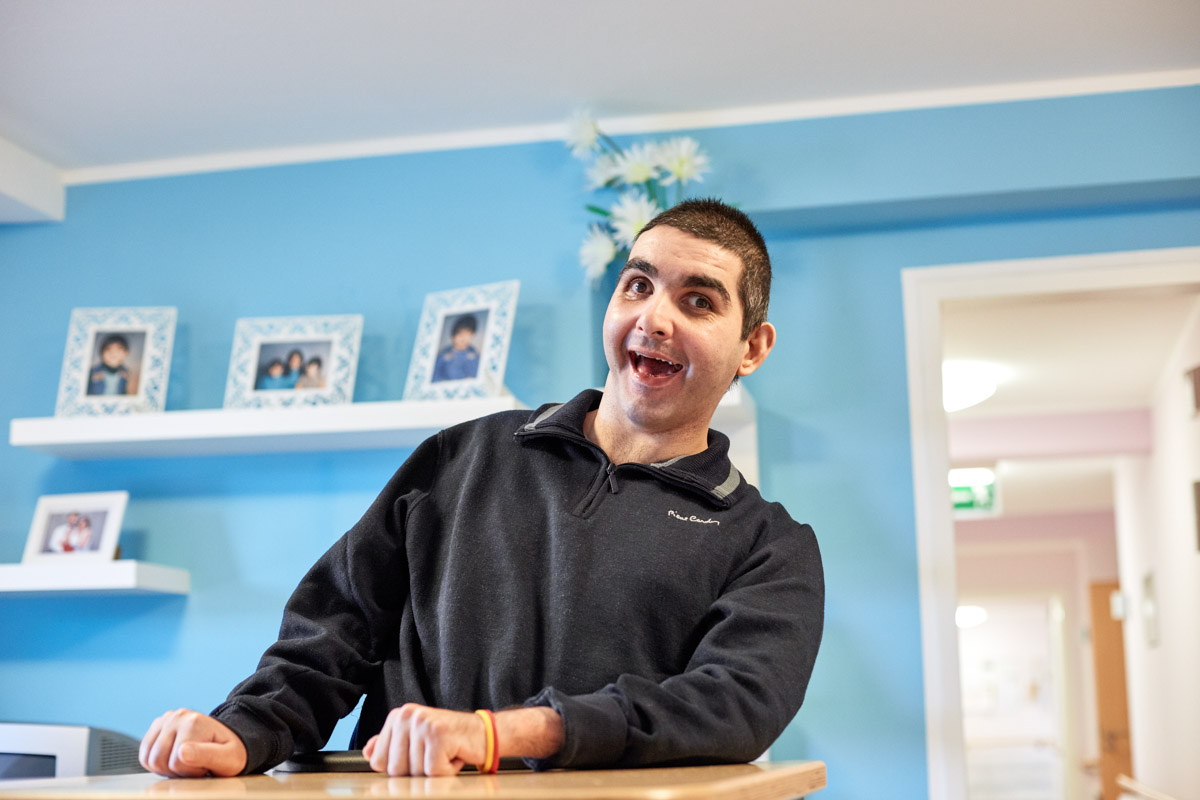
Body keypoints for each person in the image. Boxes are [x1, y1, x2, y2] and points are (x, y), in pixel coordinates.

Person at [139, 198, 824, 780]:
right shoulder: (465, 454)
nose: (654, 318)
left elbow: (730, 707)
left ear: (752, 348)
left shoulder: (770, 546)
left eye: (697, 300)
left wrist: (502, 735)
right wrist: (246, 730)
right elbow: (336, 625)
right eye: (637, 286)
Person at [430, 315, 480, 382]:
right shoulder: (443, 355)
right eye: (460, 333)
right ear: (454, 334)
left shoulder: (475, 355)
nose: (463, 337)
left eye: (468, 333)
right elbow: (434, 376)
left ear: (472, 335)